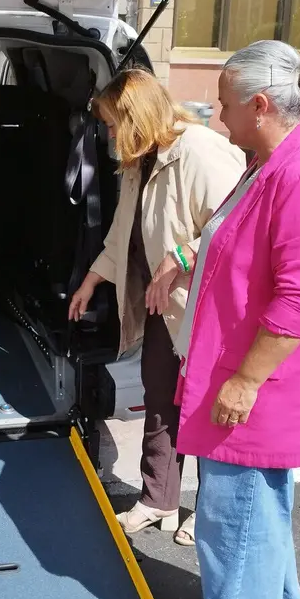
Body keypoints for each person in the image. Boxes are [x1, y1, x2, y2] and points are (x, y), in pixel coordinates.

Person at [164, 40, 300, 599]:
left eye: (224, 104)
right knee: (260, 508)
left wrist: (243, 379)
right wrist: (182, 260)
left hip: (256, 386)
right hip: (243, 374)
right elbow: (228, 237)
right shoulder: (270, 161)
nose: (218, 116)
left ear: (261, 105)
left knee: (235, 517)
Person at [68, 68, 246, 546]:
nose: (107, 134)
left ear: (133, 117)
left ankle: (210, 512)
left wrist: (181, 257)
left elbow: (236, 226)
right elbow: (120, 233)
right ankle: (158, 498)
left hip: (204, 310)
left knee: (206, 409)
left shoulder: (200, 153)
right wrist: (90, 282)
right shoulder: (139, 159)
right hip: (163, 306)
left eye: (110, 124)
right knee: (161, 397)